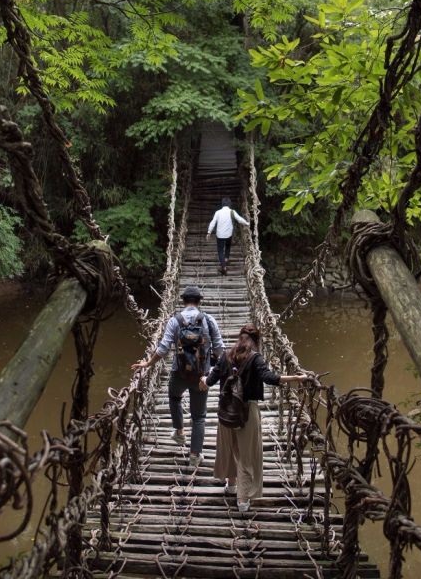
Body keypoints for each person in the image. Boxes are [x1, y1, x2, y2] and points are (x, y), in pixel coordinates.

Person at [207, 323, 308, 512]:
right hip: (247, 412)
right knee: (247, 454)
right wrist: (295, 378)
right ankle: (243, 499)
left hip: (226, 410)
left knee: (229, 448)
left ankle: (231, 485)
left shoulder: (225, 356)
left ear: (240, 338)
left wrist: (202, 380)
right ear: (257, 340)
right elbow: (269, 378)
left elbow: (211, 380)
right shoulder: (256, 358)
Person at [131, 286, 225, 468]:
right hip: (201, 376)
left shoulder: (175, 320)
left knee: (174, 397)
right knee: (199, 417)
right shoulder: (209, 320)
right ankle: (194, 456)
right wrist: (216, 368)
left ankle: (179, 431)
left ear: (183, 301)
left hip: (179, 373)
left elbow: (164, 348)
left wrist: (147, 363)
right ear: (200, 301)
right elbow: (220, 348)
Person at [207, 197, 249, 276]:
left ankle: (224, 267)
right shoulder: (232, 211)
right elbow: (239, 219)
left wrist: (209, 232)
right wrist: (247, 223)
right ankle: (226, 259)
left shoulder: (218, 212)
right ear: (229, 204)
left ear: (222, 204)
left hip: (219, 235)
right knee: (228, 246)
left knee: (220, 251)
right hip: (228, 235)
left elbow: (213, 222)